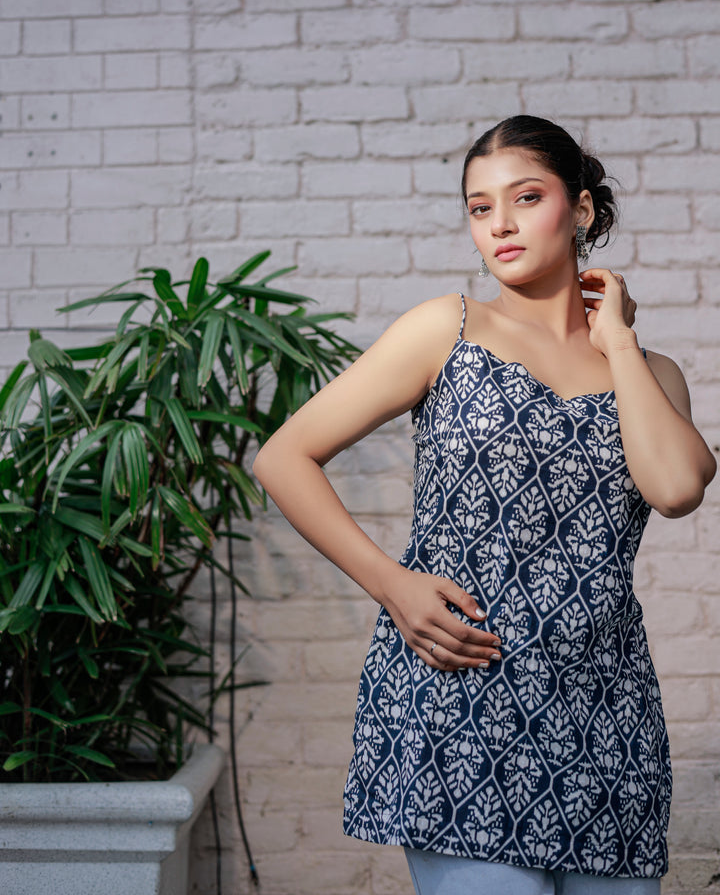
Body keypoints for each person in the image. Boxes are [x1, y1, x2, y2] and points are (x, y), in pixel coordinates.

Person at [253, 116, 716, 895]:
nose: (499, 223)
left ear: (581, 209)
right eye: (479, 207)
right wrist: (392, 584)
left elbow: (676, 489)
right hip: (461, 696)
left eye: (525, 197)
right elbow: (283, 457)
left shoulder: (651, 372)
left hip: (606, 710)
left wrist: (618, 342)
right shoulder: (447, 329)